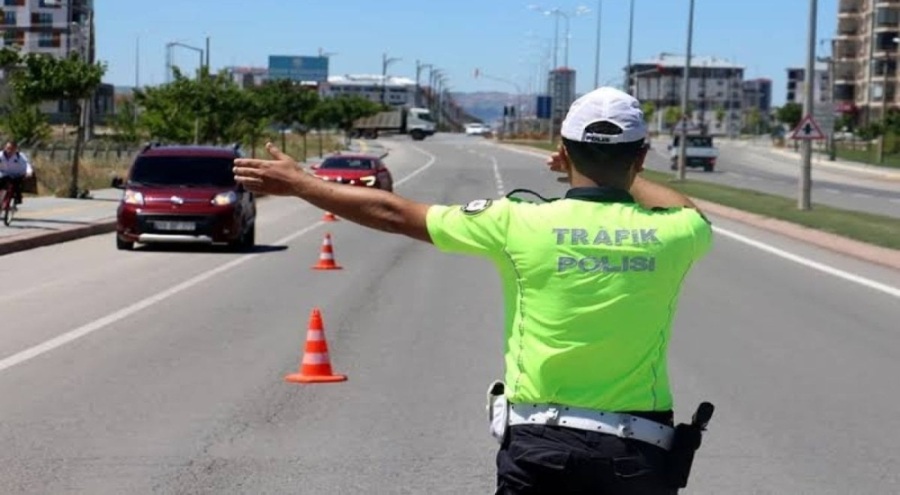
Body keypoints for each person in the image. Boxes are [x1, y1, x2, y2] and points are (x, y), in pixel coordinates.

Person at [233, 86, 713, 494]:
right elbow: (688, 209)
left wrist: (304, 184)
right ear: (641, 157)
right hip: (637, 453)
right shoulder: (676, 232)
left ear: (564, 152)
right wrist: (626, 175)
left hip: (541, 449)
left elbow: (395, 213)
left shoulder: (517, 221)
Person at [0, 140, 34, 207]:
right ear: (5, 148)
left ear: (15, 149)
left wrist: (29, 172)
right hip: (4, 174)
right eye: (8, 148)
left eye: (12, 149)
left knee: (16, 186)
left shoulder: (20, 156)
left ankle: (17, 198)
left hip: (16, 175)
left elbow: (27, 165)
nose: (9, 151)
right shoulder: (1, 155)